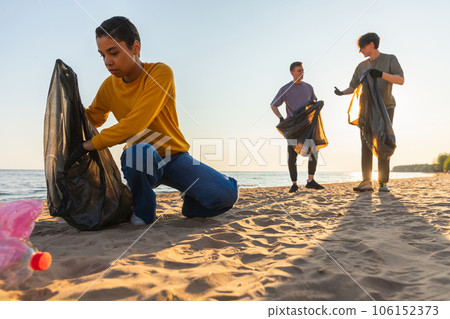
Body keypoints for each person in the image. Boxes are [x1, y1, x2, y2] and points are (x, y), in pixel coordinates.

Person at [66, 16, 238, 225]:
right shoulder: (108, 86)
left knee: (226, 196)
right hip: (141, 160)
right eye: (102, 55)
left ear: (135, 47)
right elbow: (93, 118)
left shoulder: (160, 73)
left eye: (113, 52)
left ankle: (191, 203)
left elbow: (135, 123)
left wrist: (88, 146)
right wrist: (68, 100)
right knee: (139, 151)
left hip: (175, 156)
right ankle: (143, 213)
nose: (107, 61)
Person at [334, 32, 404, 192]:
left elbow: (400, 80)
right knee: (365, 144)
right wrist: (342, 93)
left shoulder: (389, 59)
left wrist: (380, 74)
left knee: (383, 142)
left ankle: (382, 182)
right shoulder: (361, 66)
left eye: (362, 47)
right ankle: (366, 181)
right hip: (365, 111)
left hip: (386, 108)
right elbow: (353, 87)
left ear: (371, 44)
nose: (360, 51)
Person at [270, 62, 324, 193]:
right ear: (292, 73)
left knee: (314, 152)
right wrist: (282, 119)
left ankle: (310, 181)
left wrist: (317, 104)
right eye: (299, 71)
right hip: (293, 127)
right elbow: (273, 105)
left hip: (308, 125)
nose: (301, 73)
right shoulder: (285, 89)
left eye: (302, 70)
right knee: (292, 155)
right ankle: (294, 184)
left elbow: (314, 103)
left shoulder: (309, 87)